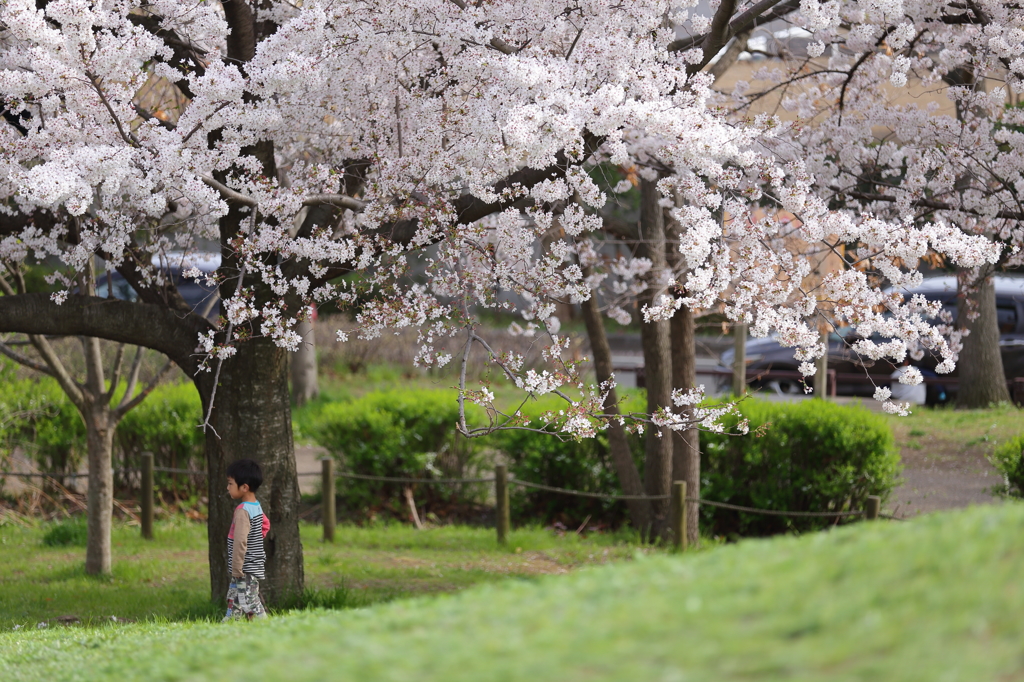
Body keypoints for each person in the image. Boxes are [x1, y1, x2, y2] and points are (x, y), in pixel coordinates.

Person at [223, 459, 270, 622]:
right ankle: (230, 622)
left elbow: (240, 542)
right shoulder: (256, 506)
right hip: (252, 562)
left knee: (249, 600)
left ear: (244, 487)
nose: (228, 487)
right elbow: (265, 524)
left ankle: (264, 625)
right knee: (236, 596)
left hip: (244, 566)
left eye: (230, 483)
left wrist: (237, 567)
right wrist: (256, 540)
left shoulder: (242, 511)